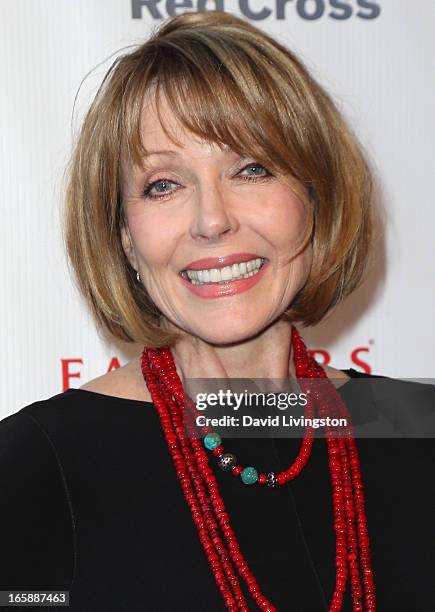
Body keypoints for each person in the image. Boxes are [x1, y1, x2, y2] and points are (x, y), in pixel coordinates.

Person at [0, 10, 434, 612]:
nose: (212, 220)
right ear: (125, 234)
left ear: (316, 196)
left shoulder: (417, 428)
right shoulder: (34, 465)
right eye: (163, 185)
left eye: (251, 168)